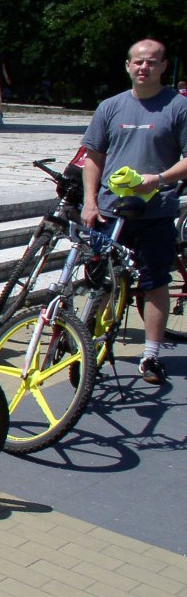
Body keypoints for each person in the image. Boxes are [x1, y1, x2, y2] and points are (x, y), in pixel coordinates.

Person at [81, 38, 187, 385]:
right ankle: (91, 347)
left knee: (155, 283)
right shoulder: (110, 107)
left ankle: (151, 354)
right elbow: (93, 158)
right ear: (128, 66)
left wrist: (159, 179)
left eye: (152, 62)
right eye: (138, 61)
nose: (144, 67)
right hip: (109, 213)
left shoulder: (178, 107)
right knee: (100, 281)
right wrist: (90, 201)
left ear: (163, 67)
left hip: (155, 212)